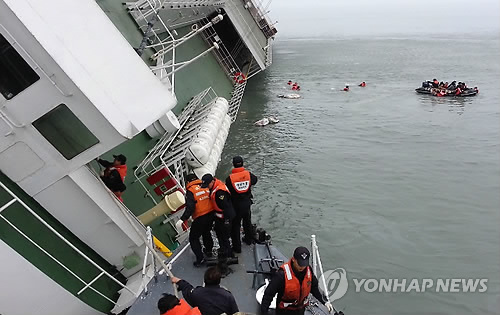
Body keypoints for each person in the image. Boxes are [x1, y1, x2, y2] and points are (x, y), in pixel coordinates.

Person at [261, 247, 333, 315]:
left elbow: (314, 288)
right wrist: (264, 312)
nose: (302, 267)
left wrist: (325, 302)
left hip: (300, 310)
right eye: (300, 264)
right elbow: (269, 294)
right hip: (284, 311)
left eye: (304, 264)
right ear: (293, 260)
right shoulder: (281, 275)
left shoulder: (309, 271)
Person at [179, 174, 214, 267]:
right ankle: (209, 251)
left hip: (200, 216)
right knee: (206, 232)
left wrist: (183, 219)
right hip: (211, 214)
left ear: (187, 182)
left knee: (193, 238)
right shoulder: (205, 186)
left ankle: (200, 259)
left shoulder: (191, 191)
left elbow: (190, 207)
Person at [171, 267, 239, 315]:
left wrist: (179, 281)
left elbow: (187, 290)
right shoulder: (228, 296)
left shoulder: (197, 294)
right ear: (219, 281)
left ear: (205, 279)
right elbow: (235, 312)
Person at [225, 156, 258, 253]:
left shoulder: (229, 178)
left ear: (233, 165)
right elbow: (255, 180)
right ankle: (249, 239)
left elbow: (227, 190)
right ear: (242, 163)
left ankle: (237, 247)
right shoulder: (248, 174)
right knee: (247, 222)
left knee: (235, 226)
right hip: (247, 203)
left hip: (236, 205)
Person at [201, 174, 235, 259]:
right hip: (219, 217)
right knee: (219, 234)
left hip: (224, 218)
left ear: (212, 181)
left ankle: (229, 254)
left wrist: (226, 221)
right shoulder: (215, 188)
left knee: (224, 237)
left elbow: (226, 207)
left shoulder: (220, 192)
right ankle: (223, 250)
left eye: (208, 185)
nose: (207, 187)